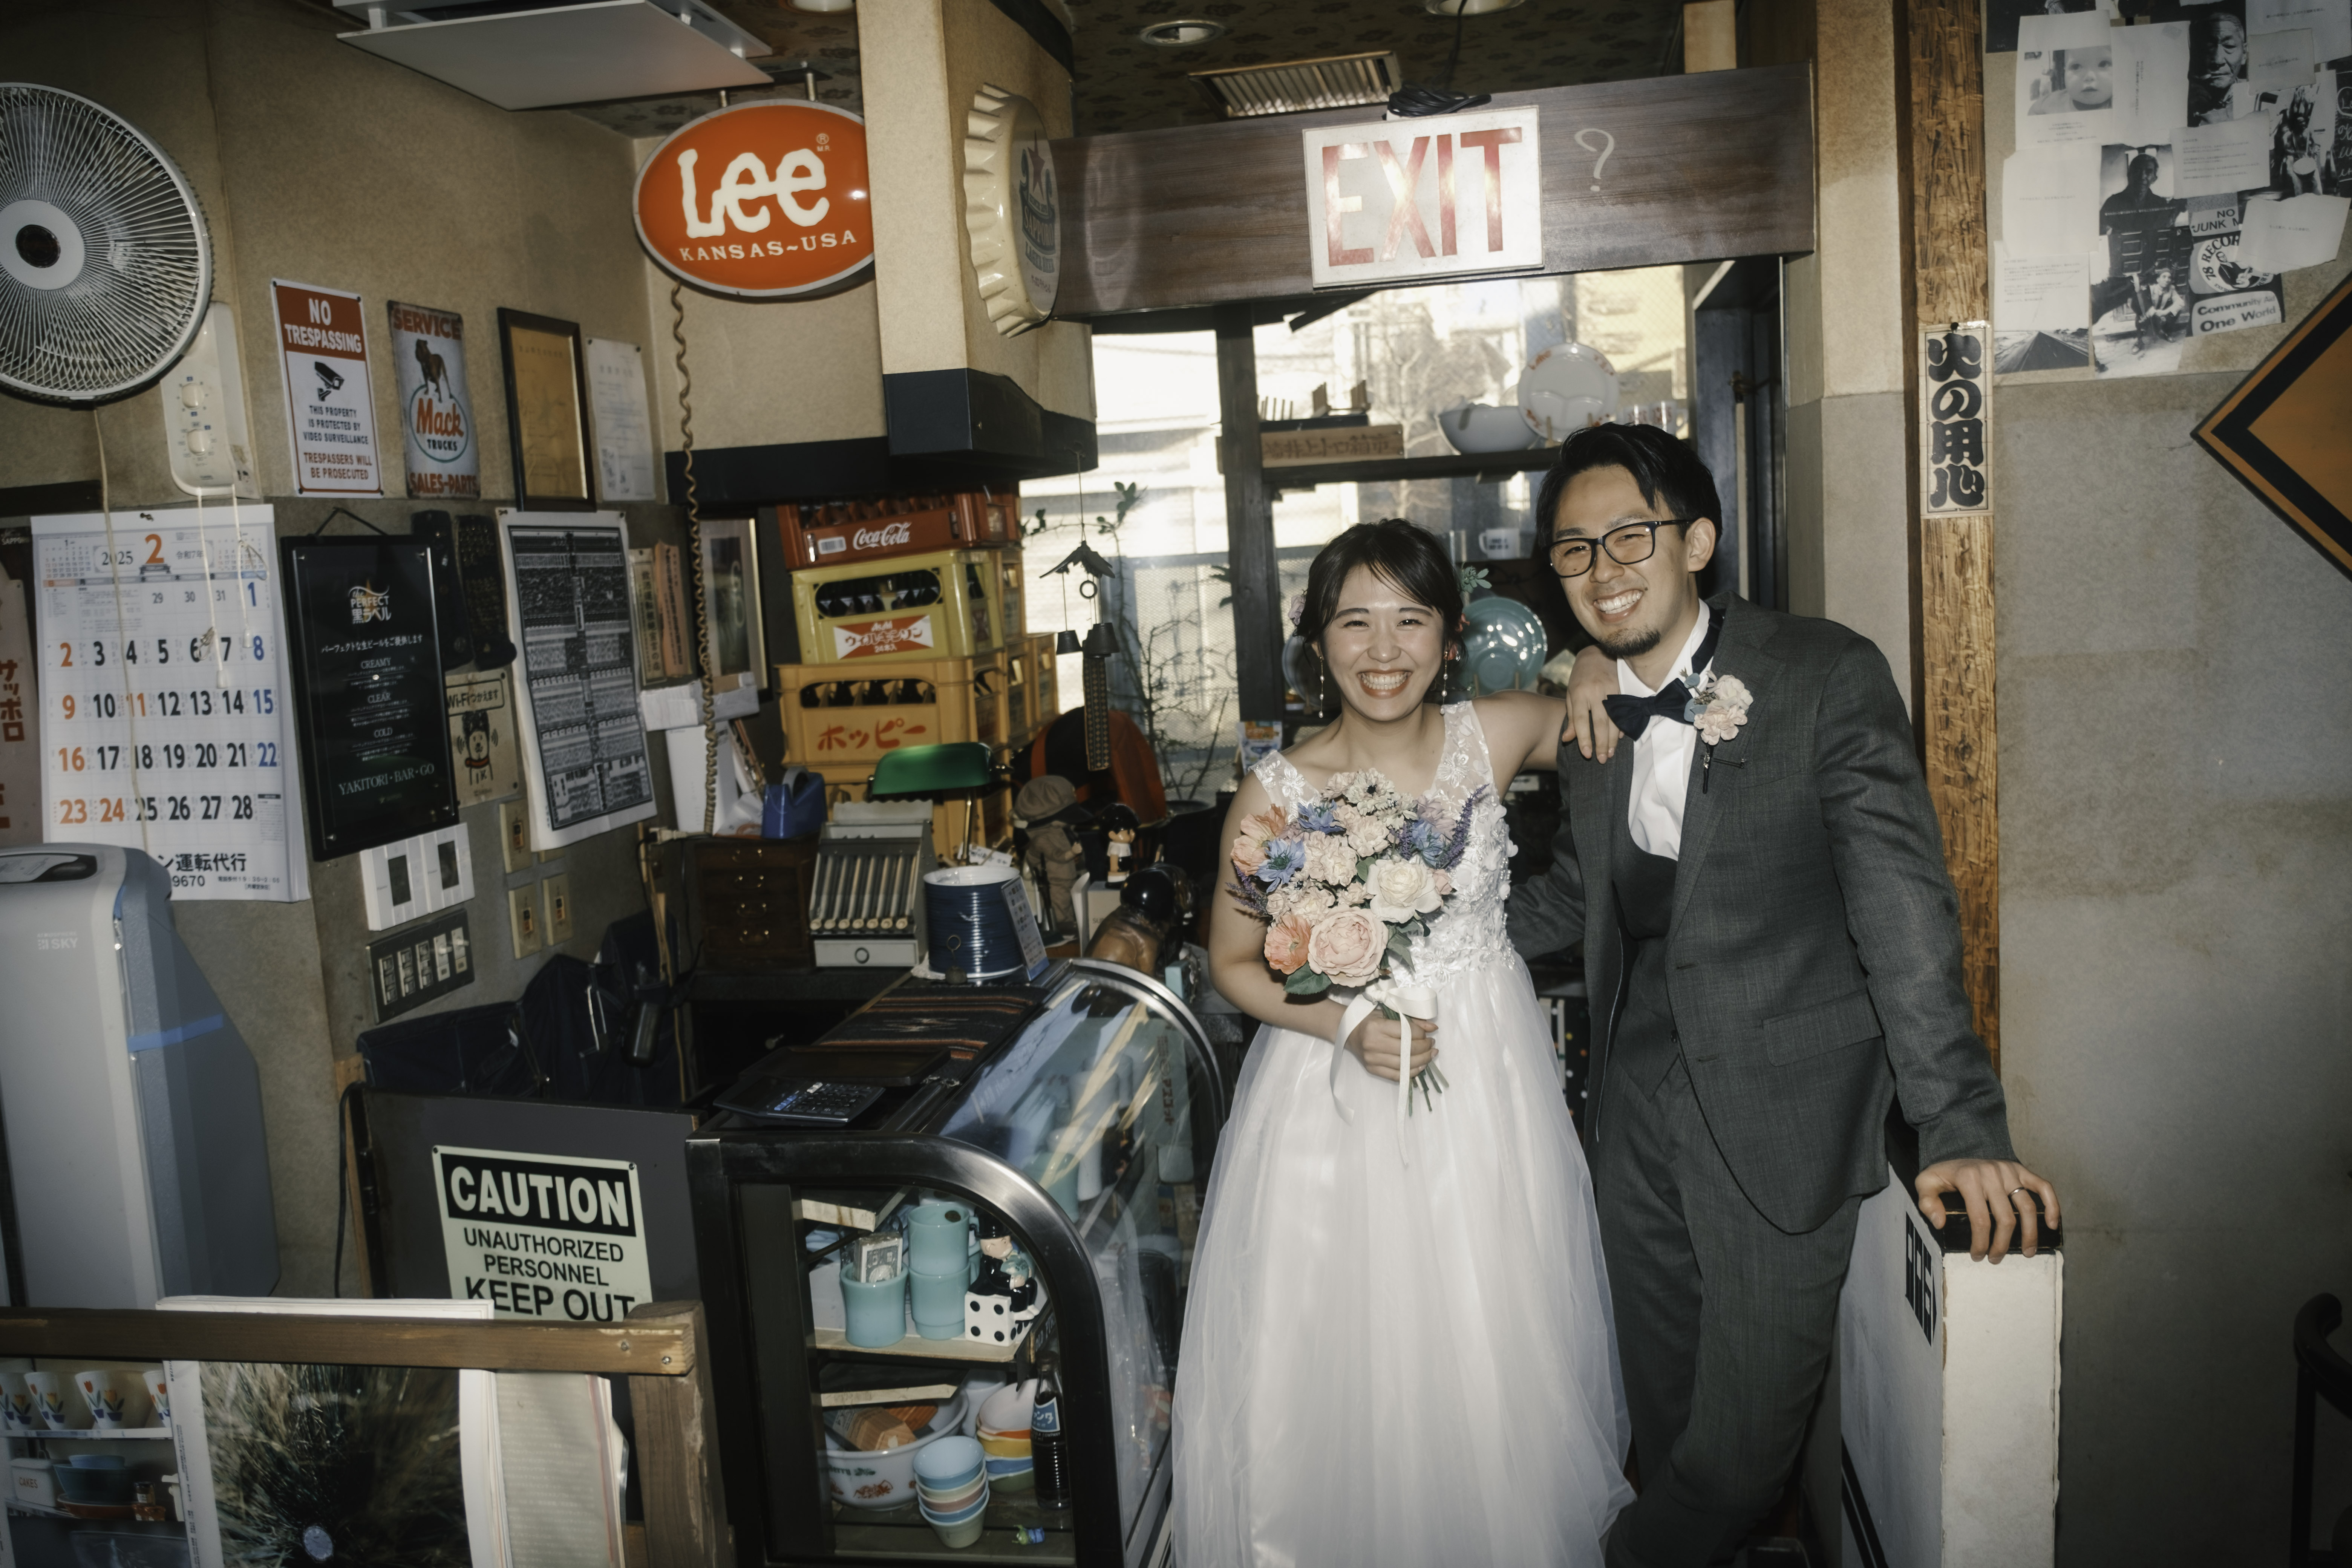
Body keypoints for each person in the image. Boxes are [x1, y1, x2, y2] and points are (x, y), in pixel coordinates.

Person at [1508, 426, 2061, 1568]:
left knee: (1741, 1455)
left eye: (1630, 537)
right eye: (1574, 550)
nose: (1604, 569)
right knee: (1662, 1412)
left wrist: (1961, 1123)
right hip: (1633, 1111)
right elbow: (1573, 896)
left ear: (1697, 542)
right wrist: (1415, 944)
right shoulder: (1590, 714)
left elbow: (1902, 910)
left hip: (1785, 1112)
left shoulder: (1822, 674)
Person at [1173, 519, 1632, 1566]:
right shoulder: (1277, 792)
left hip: (1488, 1086)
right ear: (1316, 643)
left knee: (1486, 1335)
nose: (1383, 650)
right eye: (1354, 623)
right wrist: (1343, 1021)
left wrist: (1593, 660)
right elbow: (1232, 960)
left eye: (1410, 620)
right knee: (1339, 1351)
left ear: (1451, 635)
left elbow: (1618, 702)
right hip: (1332, 1097)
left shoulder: (1496, 734)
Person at [2188, 10, 2256, 126]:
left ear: (2245, 54)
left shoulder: (2259, 97)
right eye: (2209, 47)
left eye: (2229, 46)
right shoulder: (2184, 103)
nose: (2218, 60)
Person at [2027, 43, 2111, 114]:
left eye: (2103, 64)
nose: (2089, 77)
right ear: (2065, 71)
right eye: (2076, 67)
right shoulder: (2049, 104)